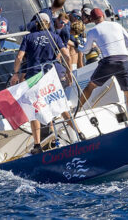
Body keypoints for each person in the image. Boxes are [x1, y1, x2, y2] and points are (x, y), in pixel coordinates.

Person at [10, 13, 76, 154]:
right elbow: (67, 55)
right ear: (48, 23)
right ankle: (79, 133)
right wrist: (69, 71)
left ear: (36, 23)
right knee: (60, 104)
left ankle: (37, 145)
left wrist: (15, 74)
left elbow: (19, 57)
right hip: (50, 77)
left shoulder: (28, 37)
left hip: (33, 78)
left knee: (34, 110)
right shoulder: (55, 36)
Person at [79, 9, 128, 123]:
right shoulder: (116, 25)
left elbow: (85, 50)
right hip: (123, 60)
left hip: (109, 62)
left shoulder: (92, 31)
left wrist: (78, 46)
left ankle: (78, 109)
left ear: (92, 19)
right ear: (103, 16)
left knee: (90, 86)